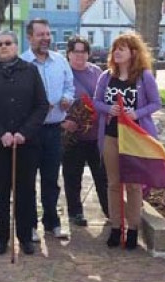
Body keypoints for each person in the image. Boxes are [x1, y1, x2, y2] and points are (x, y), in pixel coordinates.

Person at [0, 30, 49, 256]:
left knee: (24, 191)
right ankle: (1, 238)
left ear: (16, 45)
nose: (3, 47)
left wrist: (24, 132)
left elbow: (41, 106)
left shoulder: (30, 71)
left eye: (8, 43)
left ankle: (25, 237)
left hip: (26, 144)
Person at [93, 32, 162, 250]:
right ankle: (116, 228)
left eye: (121, 49)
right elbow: (96, 101)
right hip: (111, 136)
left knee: (133, 185)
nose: (116, 53)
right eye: (115, 49)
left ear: (133, 52)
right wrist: (107, 108)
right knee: (113, 184)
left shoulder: (144, 77)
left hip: (134, 138)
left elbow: (156, 103)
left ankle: (133, 230)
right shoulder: (106, 76)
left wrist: (137, 113)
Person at [21, 18, 74, 241]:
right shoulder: (22, 63)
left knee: (51, 179)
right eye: (40, 34)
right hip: (31, 132)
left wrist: (66, 99)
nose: (46, 38)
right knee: (28, 181)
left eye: (48, 34)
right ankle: (30, 226)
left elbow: (70, 87)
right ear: (30, 37)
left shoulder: (60, 61)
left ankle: (52, 222)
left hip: (54, 130)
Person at [61, 36, 109, 226]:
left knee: (102, 176)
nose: (79, 55)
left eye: (83, 51)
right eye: (75, 51)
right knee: (73, 176)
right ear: (69, 54)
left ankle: (110, 210)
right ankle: (75, 213)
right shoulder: (63, 72)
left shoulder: (97, 72)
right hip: (72, 135)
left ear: (88, 53)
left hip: (96, 135)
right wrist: (63, 121)